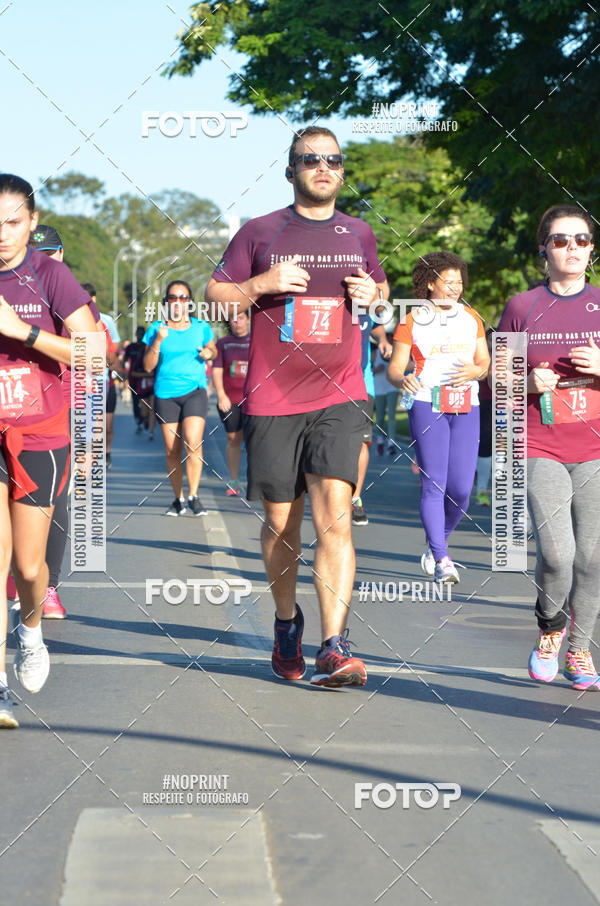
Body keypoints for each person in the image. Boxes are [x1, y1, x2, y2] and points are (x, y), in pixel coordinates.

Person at [205, 125, 388, 687]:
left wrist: (373, 296)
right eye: (310, 159)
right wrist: (262, 281)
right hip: (274, 396)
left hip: (340, 391)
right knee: (281, 521)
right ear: (291, 171)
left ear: (342, 170)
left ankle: (335, 644)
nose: (322, 167)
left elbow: (379, 291)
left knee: (335, 516)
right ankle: (288, 624)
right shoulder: (260, 231)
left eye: (332, 159)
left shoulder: (359, 233)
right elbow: (217, 295)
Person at [0, 174, 97, 727]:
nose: (2, 234)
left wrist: (24, 334)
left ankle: (31, 630)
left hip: (39, 432)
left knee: (29, 565)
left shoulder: (49, 275)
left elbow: (92, 352)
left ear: (31, 224)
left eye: (13, 222)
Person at [497, 204, 600, 690]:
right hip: (540, 442)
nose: (572, 248)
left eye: (581, 240)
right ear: (544, 249)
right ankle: (550, 628)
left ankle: (580, 650)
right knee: (558, 553)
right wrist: (527, 381)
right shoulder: (523, 307)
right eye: (561, 240)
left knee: (593, 558)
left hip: (595, 446)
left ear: (592, 249)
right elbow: (495, 381)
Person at [388, 251, 490, 583]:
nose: (455, 288)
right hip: (425, 402)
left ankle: (437, 544)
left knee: (461, 489)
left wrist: (476, 370)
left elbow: (483, 363)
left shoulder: (471, 317)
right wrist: (402, 378)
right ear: (430, 283)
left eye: (459, 282)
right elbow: (394, 369)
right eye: (448, 282)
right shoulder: (412, 320)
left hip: (466, 405)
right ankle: (442, 559)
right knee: (435, 483)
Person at [143, 280, 216, 516]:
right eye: (173, 297)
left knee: (193, 442)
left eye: (183, 297)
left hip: (195, 390)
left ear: (189, 302)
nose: (178, 302)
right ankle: (178, 498)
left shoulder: (201, 326)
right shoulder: (156, 328)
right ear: (166, 302)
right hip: (166, 394)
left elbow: (213, 350)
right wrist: (158, 341)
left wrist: (208, 352)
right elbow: (146, 366)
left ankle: (194, 496)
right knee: (171, 450)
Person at [352, 318, 391, 526]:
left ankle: (355, 498)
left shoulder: (365, 299)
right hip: (329, 384)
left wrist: (383, 339)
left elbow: (376, 324)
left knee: (360, 442)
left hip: (363, 385)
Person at [212, 310, 251, 495]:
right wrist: (221, 394)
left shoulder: (256, 341)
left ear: (248, 320)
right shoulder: (223, 344)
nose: (237, 322)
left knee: (255, 440)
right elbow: (217, 370)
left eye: (241, 318)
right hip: (230, 400)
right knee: (233, 439)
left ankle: (256, 480)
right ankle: (234, 481)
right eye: (233, 319)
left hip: (253, 400)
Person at [82, 283, 120, 468]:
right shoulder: (68, 318)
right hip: (76, 381)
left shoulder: (104, 321)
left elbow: (113, 351)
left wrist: (105, 359)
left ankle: (101, 455)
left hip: (100, 379)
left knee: (102, 424)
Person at [124, 326, 156, 439]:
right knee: (137, 404)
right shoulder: (131, 347)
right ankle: (140, 420)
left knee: (152, 407)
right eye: (139, 334)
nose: (140, 336)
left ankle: (150, 428)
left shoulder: (148, 348)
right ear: (136, 334)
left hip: (151, 385)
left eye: (142, 334)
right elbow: (124, 362)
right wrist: (124, 377)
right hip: (136, 382)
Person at [474, 328, 494, 506]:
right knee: (476, 444)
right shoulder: (479, 355)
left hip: (499, 404)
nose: (493, 344)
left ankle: (482, 490)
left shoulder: (506, 355)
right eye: (490, 340)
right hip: (477, 403)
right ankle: (478, 487)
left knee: (490, 447)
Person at [373, 333, 399, 456]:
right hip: (378, 389)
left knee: (392, 415)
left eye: (391, 340)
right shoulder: (376, 353)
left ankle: (391, 443)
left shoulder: (397, 353)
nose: (389, 342)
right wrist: (375, 369)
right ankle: (380, 440)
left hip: (392, 388)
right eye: (387, 340)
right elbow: (365, 368)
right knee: (380, 417)